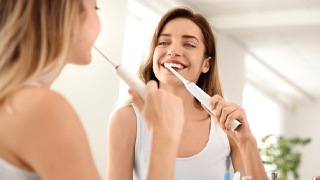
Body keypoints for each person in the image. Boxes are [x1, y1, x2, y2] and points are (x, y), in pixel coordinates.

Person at [0, 0, 185, 179]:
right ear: (68, 15)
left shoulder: (16, 99)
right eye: (96, 7)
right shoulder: (41, 108)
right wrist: (165, 137)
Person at [107, 6, 269, 179]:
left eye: (189, 44)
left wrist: (246, 141)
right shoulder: (126, 119)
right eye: (163, 42)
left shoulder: (225, 128)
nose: (173, 51)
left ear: (206, 64)